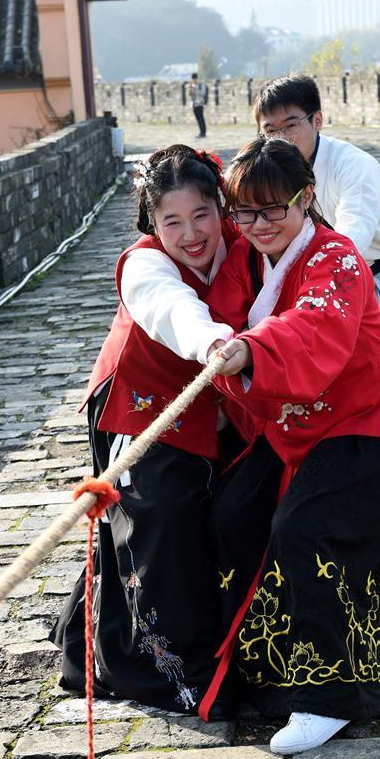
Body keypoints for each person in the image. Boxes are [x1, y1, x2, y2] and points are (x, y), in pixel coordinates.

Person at [196, 137, 380, 754]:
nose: (258, 225)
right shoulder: (247, 261)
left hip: (365, 419)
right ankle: (265, 664)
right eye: (244, 213)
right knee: (231, 514)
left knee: (306, 531)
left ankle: (324, 693)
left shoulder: (339, 259)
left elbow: (313, 325)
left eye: (273, 209)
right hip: (294, 422)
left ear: (307, 199)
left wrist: (253, 349)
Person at [51, 145, 239, 716]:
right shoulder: (143, 265)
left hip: (206, 396)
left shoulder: (243, 240)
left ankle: (81, 639)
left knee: (160, 522)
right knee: (156, 520)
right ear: (152, 224)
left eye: (202, 215)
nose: (191, 234)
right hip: (135, 402)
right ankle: (162, 667)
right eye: (171, 221)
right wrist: (212, 343)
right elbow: (171, 309)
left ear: (220, 207)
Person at [251, 74, 380, 571]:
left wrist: (324, 286)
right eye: (269, 130)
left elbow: (354, 232)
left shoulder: (352, 166)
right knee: (359, 407)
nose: (282, 138)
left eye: (292, 124)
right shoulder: (273, 170)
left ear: (317, 120)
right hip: (326, 293)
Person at [189, 72, 208, 138]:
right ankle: (201, 132)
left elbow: (203, 93)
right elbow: (191, 95)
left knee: (201, 118)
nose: (194, 80)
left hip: (200, 103)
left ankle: (203, 132)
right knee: (198, 119)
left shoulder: (201, 85)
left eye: (195, 79)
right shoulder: (192, 85)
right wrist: (191, 90)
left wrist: (196, 89)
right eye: (193, 79)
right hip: (194, 104)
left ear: (197, 78)